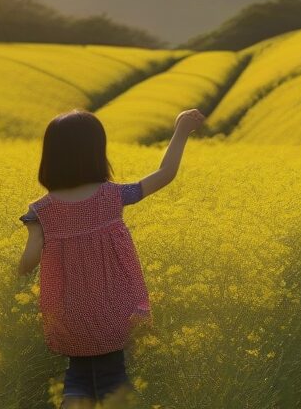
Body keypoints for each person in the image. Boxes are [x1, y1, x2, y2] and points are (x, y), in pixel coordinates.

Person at [17, 108, 206, 407]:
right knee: (112, 378)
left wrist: (29, 238)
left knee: (78, 375)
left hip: (69, 313)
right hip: (114, 309)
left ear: (50, 157)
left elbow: (26, 265)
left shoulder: (43, 210)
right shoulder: (113, 195)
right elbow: (164, 174)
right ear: (96, 153)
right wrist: (181, 131)